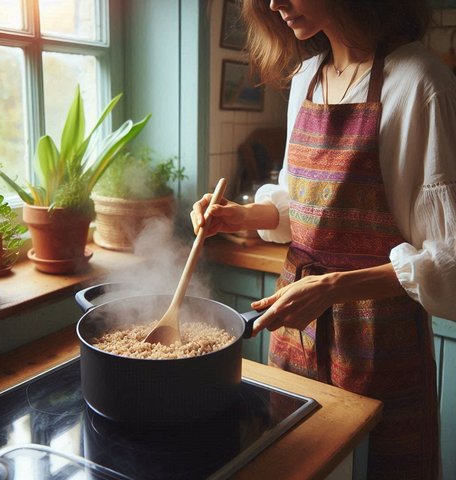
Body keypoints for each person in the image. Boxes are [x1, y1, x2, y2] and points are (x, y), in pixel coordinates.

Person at [191, 0, 456, 478]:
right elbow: (303, 207)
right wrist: (238, 216)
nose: (276, 4)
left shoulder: (419, 81)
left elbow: (448, 259)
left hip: (380, 341)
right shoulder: (307, 77)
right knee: (299, 461)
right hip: (296, 329)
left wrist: (334, 287)